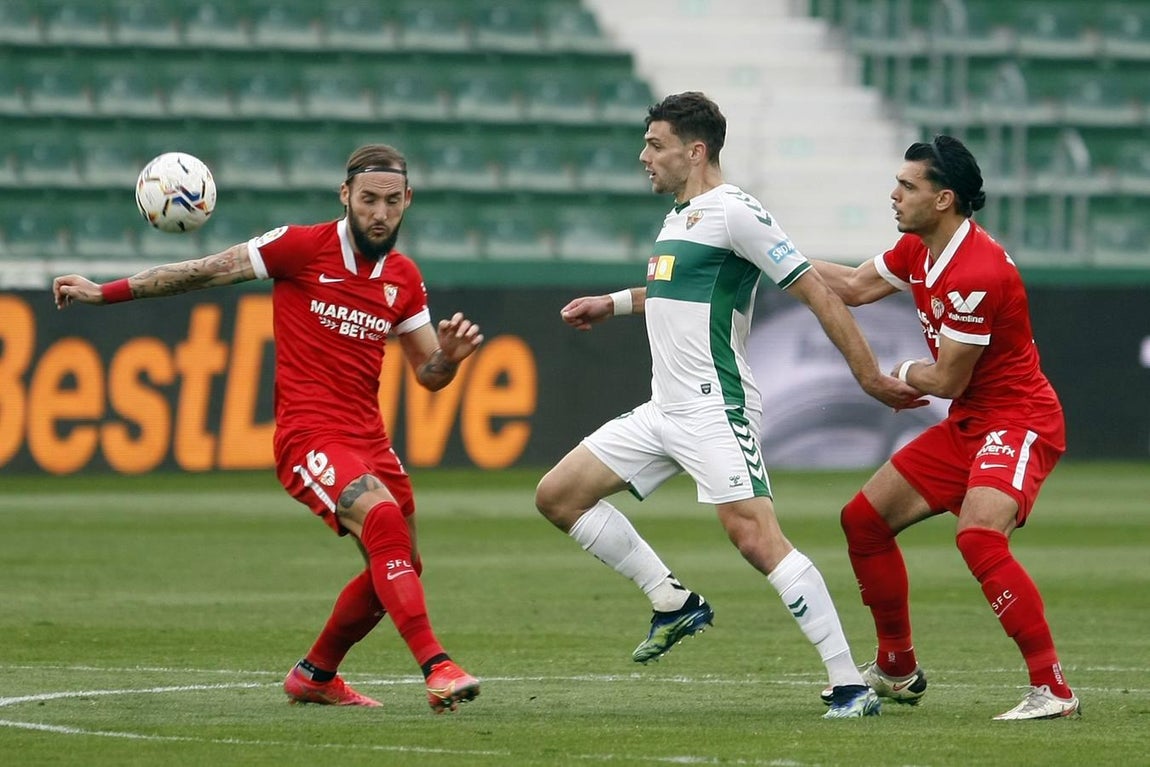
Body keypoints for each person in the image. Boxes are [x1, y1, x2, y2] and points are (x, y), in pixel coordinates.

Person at [53, 144, 484, 714]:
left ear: (407, 201)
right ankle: (437, 666)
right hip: (309, 436)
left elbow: (428, 376)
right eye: (368, 199)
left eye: (391, 201)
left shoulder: (403, 277)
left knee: (399, 564)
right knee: (380, 520)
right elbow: (202, 272)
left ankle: (315, 675)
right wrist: (102, 292)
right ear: (345, 197)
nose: (380, 212)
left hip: (369, 440)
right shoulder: (300, 247)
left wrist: (449, 359)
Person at [533, 92, 923, 719]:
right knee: (558, 495)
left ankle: (848, 683)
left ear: (695, 151)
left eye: (655, 145)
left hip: (717, 407)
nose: (645, 157)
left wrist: (871, 376)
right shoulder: (681, 215)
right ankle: (671, 601)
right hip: (665, 409)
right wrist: (613, 303)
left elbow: (820, 293)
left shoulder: (737, 211)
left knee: (757, 540)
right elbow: (672, 289)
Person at [810, 135, 1079, 721]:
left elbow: (947, 379)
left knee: (979, 536)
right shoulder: (920, 249)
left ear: (943, 199)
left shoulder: (976, 271)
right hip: (972, 424)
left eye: (908, 186)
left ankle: (1052, 689)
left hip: (1018, 420)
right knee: (864, 520)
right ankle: (897, 666)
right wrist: (774, 257)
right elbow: (855, 287)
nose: (894, 194)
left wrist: (897, 371)